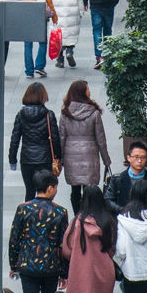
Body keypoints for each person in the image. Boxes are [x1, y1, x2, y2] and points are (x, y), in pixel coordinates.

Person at [8, 170, 70, 293]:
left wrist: (13, 264)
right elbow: (64, 244)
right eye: (55, 187)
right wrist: (64, 272)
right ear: (50, 188)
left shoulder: (23, 209)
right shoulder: (60, 212)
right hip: (51, 267)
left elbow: (15, 239)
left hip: (27, 266)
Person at [64, 187, 120, 293]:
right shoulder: (108, 221)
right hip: (103, 272)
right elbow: (112, 248)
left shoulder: (76, 222)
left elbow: (67, 249)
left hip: (80, 273)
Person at [57, 79, 113, 208]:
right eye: (88, 90)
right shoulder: (94, 113)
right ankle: (88, 216)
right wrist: (106, 160)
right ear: (83, 93)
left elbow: (61, 137)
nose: (90, 92)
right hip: (90, 155)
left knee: (75, 190)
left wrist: (60, 159)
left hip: (71, 155)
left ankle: (77, 216)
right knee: (90, 190)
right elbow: (101, 139)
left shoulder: (65, 112)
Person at [8, 80, 61, 184]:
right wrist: (58, 158)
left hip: (27, 158)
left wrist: (12, 159)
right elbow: (55, 139)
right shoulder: (48, 115)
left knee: (29, 192)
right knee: (44, 191)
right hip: (45, 158)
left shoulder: (21, 114)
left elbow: (15, 139)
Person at [104, 141, 147, 224]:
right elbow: (108, 200)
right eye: (136, 157)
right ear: (128, 158)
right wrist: (123, 210)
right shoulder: (117, 179)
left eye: (143, 157)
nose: (139, 160)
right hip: (123, 222)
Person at [47, 0, 87, 69]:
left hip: (57, 12)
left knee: (58, 34)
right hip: (71, 11)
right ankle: (69, 51)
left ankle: (60, 59)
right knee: (70, 33)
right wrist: (81, 11)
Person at [17, 0, 51, 77]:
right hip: (40, 16)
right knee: (42, 42)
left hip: (26, 17)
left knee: (27, 44)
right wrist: (54, 16)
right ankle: (40, 66)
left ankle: (29, 71)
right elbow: (49, 0)